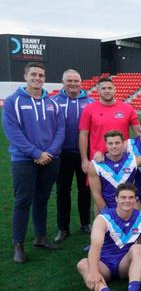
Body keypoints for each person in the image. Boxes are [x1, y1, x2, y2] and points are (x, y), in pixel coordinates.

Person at [2, 62, 65, 262]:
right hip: (23, 160)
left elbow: (60, 130)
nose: (38, 78)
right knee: (22, 201)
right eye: (34, 75)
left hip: (50, 158)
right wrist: (35, 153)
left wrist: (50, 152)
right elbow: (12, 133)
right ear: (25, 76)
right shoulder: (13, 101)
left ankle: (40, 237)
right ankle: (18, 244)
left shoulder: (52, 102)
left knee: (42, 199)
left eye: (41, 75)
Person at [76, 183, 141, 291]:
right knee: (82, 264)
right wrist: (93, 271)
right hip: (105, 266)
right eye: (123, 197)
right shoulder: (103, 218)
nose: (127, 201)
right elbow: (95, 246)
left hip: (124, 265)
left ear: (135, 200)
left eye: (131, 197)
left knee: (138, 248)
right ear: (116, 199)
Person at [53, 69, 93, 243]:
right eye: (69, 81)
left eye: (76, 80)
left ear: (81, 82)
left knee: (85, 190)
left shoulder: (91, 102)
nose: (73, 84)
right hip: (62, 154)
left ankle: (85, 223)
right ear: (63, 82)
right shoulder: (53, 102)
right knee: (63, 191)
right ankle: (63, 228)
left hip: (85, 154)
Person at [79, 77, 140, 174]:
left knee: (125, 188)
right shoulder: (89, 109)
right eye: (103, 88)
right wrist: (84, 159)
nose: (107, 91)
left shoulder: (128, 108)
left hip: (123, 159)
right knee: (98, 189)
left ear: (115, 89)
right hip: (98, 158)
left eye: (109, 88)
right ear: (98, 91)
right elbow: (83, 135)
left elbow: (139, 133)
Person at [87, 131, 141, 216]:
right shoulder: (95, 165)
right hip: (107, 208)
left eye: (117, 143)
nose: (114, 146)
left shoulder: (134, 160)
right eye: (110, 143)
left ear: (123, 144)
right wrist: (107, 213)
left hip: (130, 206)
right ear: (106, 145)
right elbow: (96, 193)